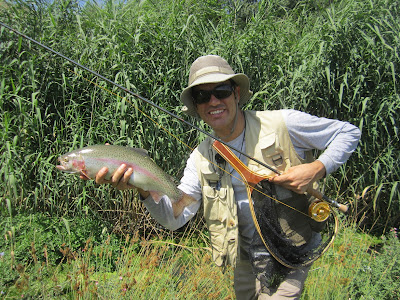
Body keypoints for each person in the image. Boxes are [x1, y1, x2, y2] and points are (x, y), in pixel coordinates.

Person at [90, 55, 361, 299]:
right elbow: (174, 218)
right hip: (244, 258)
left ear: (236, 93)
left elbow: (348, 133)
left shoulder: (283, 123)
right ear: (195, 107)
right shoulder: (199, 159)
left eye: (221, 91)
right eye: (202, 97)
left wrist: (317, 168)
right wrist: (144, 191)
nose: (214, 102)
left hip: (291, 246)